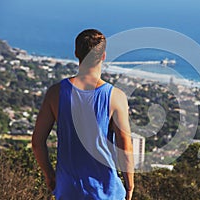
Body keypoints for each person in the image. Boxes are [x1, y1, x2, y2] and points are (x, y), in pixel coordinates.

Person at [32, 29, 134, 200]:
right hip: (106, 191)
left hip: (68, 190)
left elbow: (37, 142)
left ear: (76, 53)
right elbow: (125, 147)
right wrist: (129, 185)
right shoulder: (115, 97)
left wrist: (49, 175)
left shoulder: (55, 93)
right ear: (103, 56)